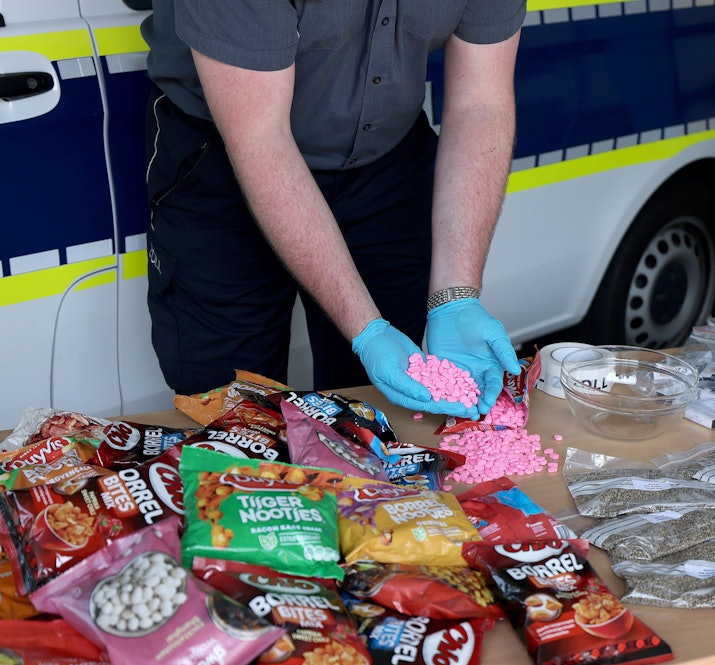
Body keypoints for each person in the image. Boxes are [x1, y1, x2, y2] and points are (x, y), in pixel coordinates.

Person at [139, 1, 525, 418]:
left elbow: (480, 103)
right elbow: (262, 139)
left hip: (384, 154)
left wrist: (456, 296)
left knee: (377, 412)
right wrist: (368, 331)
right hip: (223, 157)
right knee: (233, 415)